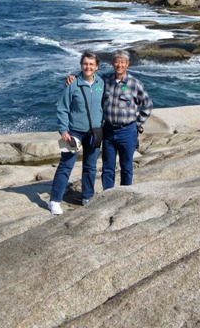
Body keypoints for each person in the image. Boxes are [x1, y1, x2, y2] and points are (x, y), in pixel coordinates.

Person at [48, 51, 104, 215]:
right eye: (85, 64)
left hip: (94, 132)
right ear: (81, 65)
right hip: (74, 133)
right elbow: (62, 108)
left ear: (97, 67)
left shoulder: (101, 82)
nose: (88, 67)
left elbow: (118, 86)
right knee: (66, 166)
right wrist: (63, 130)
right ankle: (54, 200)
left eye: (91, 64)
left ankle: (87, 196)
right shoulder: (72, 84)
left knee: (90, 166)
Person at [101, 50, 152, 189]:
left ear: (127, 64)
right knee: (107, 168)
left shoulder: (135, 84)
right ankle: (107, 196)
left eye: (122, 62)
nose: (119, 65)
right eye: (117, 61)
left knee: (126, 167)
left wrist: (138, 122)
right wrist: (74, 78)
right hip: (108, 131)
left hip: (127, 131)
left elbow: (147, 105)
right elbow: (89, 82)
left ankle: (124, 194)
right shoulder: (104, 80)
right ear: (112, 63)